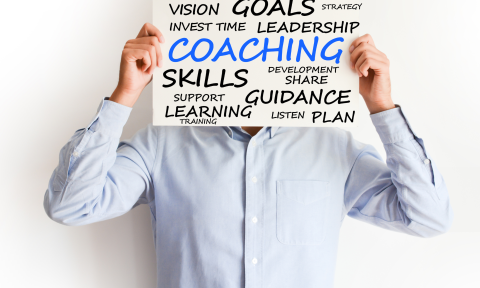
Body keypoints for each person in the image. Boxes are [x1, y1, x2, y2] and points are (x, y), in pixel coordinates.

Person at [43, 23, 453, 288]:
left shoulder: (335, 148)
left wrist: (384, 109)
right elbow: (70, 205)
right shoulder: (160, 144)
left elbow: (428, 217)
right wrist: (125, 95)